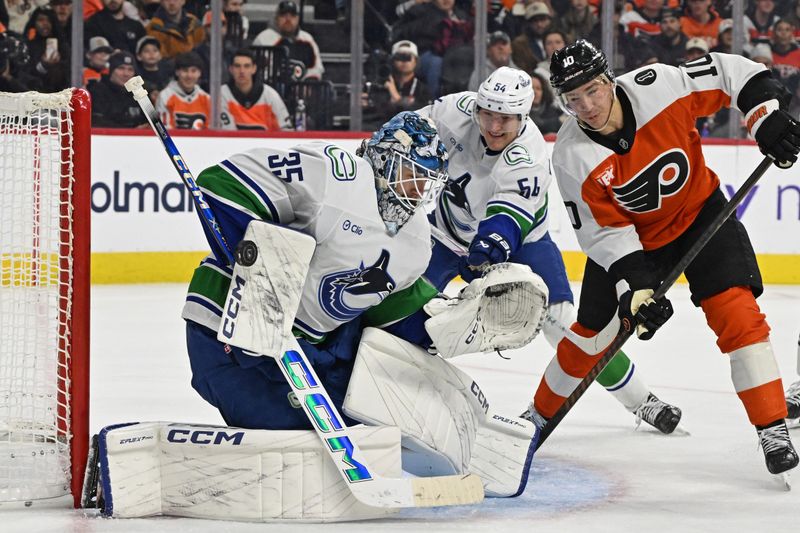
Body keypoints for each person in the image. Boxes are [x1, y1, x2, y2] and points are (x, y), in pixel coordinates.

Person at [540, 39, 800, 475]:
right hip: (636, 243)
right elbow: (604, 232)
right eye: (572, 99)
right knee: (592, 335)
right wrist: (636, 289)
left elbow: (732, 73)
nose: (585, 105)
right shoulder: (570, 154)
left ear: (609, 80)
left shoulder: (659, 86)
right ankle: (537, 417)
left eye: (592, 90)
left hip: (700, 214)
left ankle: (771, 429)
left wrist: (765, 118)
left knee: (737, 312)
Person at [412, 66, 683, 435]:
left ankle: (642, 401)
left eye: (505, 118)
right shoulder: (453, 110)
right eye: (487, 113)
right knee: (406, 315)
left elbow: (508, 215)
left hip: (522, 242)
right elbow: (407, 129)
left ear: (522, 116)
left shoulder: (531, 154)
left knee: (568, 331)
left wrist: (490, 248)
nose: (493, 126)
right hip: (444, 236)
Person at [182, 111, 449, 432]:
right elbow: (220, 184)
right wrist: (264, 270)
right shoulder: (334, 174)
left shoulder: (418, 240)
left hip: (306, 352)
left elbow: (389, 313)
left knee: (364, 416)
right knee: (283, 427)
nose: (417, 190)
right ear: (384, 158)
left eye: (426, 181)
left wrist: (445, 327)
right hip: (222, 328)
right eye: (412, 174)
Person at [363, 39, 431, 131]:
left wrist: (397, 98)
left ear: (416, 61)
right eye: (400, 57)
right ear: (392, 61)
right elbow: (377, 113)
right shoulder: (382, 84)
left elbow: (422, 114)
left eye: (408, 57)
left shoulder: (422, 89)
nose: (404, 62)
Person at [219, 48, 290, 131]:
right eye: (237, 66)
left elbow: (286, 129)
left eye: (247, 66)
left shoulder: (270, 95)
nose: (242, 71)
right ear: (231, 69)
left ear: (254, 69)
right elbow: (227, 132)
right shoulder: (222, 93)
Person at [251, 0, 323, 80]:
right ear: (276, 18)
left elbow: (317, 69)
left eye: (292, 15)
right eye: (283, 15)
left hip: (301, 87)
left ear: (298, 18)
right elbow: (256, 71)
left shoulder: (307, 39)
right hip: (272, 86)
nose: (288, 19)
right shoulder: (263, 38)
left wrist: (307, 85)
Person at [89, 50, 148, 127]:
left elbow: (150, 121)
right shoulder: (97, 91)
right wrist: (131, 131)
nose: (126, 74)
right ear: (111, 70)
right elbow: (97, 122)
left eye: (130, 69)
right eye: (121, 68)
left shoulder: (139, 93)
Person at [156, 51, 210, 129]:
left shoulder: (207, 99)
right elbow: (165, 132)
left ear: (199, 73)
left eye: (193, 71)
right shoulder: (165, 96)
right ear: (177, 72)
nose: (189, 75)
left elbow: (211, 133)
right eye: (185, 70)